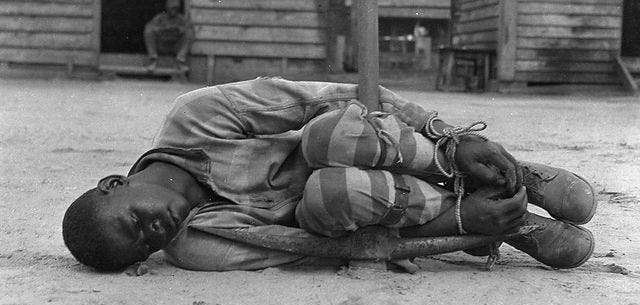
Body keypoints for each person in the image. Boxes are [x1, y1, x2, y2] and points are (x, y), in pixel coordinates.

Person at [62, 78, 596, 272]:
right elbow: (320, 249)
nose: (154, 235)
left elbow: (332, 97)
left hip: (396, 150)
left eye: (135, 223)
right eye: (144, 249)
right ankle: (503, 220)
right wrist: (461, 229)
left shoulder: (195, 116)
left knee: (325, 135)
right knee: (328, 192)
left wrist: (449, 134)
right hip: (372, 205)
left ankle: (498, 174)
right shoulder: (195, 246)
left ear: (115, 184)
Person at [143, 0, 193, 72]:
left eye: (176, 8)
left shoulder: (182, 19)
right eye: (172, 8)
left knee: (189, 32)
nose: (174, 10)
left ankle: (180, 61)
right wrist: (161, 29)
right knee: (148, 31)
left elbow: (188, 28)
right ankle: (153, 60)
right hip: (161, 45)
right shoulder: (159, 17)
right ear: (167, 8)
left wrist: (180, 29)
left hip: (175, 47)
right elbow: (150, 27)